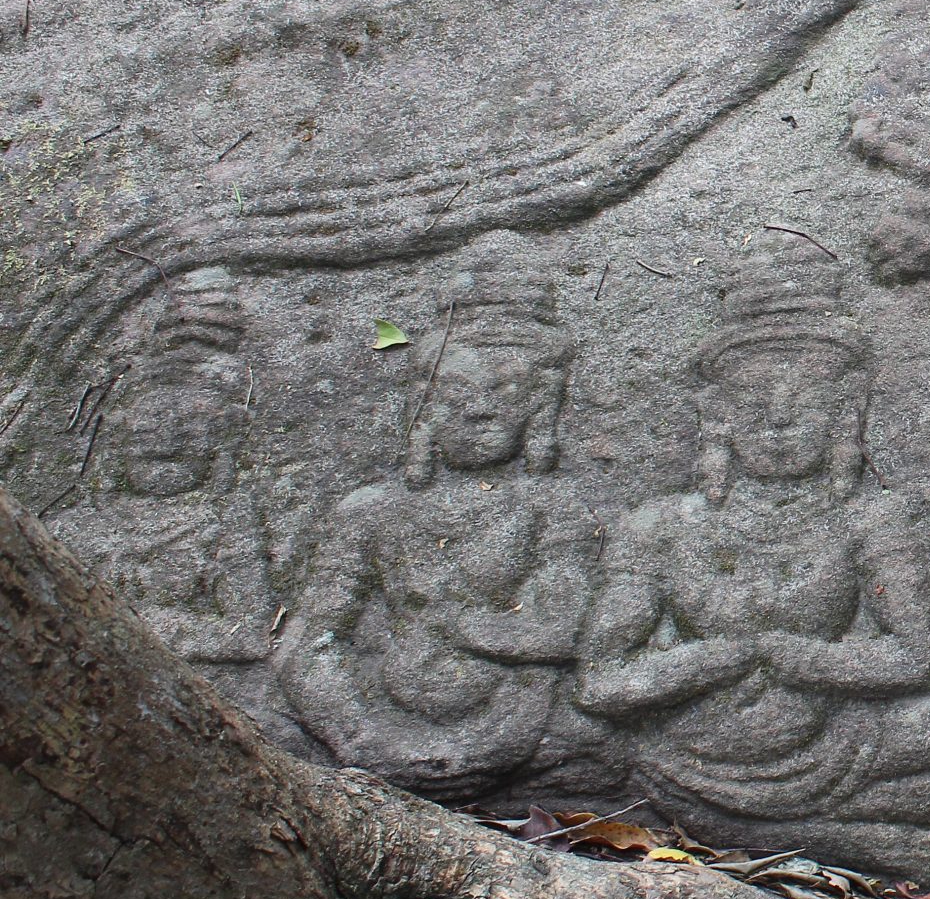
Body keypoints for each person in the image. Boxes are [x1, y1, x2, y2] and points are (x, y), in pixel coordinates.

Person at [576, 248, 930, 883]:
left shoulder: (872, 518)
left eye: (803, 400)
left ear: (845, 414)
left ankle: (769, 834)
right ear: (719, 416)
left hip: (836, 738)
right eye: (754, 400)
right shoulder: (660, 525)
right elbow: (600, 682)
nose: (778, 420)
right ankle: (823, 838)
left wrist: (795, 657)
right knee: (572, 736)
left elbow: (925, 656)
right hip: (684, 744)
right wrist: (721, 659)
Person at [282, 242, 596, 797]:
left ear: (541, 405)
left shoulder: (559, 509)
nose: (479, 409)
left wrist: (462, 633)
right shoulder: (370, 511)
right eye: (456, 392)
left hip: (525, 723)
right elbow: (313, 645)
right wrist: (360, 738)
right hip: (375, 726)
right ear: (422, 407)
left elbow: (565, 632)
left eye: (504, 390)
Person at [54, 269, 279, 716]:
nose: (167, 439)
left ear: (222, 438)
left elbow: (250, 631)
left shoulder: (223, 522)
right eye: (151, 423)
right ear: (118, 436)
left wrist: (123, 625)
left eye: (189, 425)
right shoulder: (70, 528)